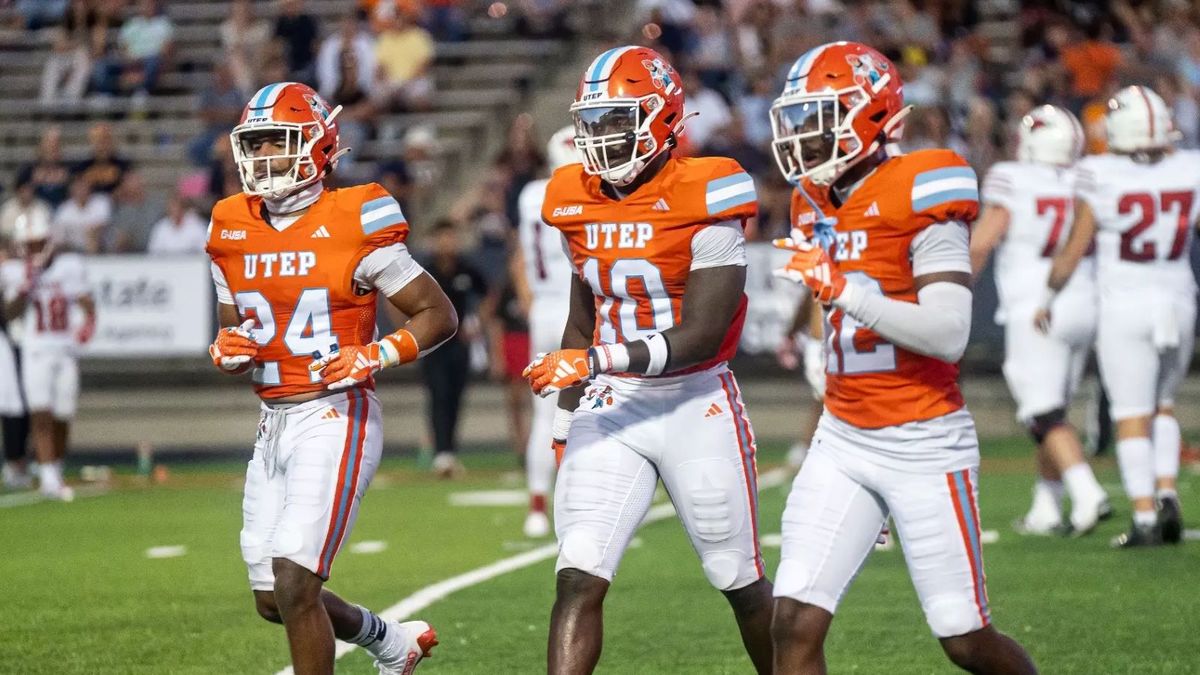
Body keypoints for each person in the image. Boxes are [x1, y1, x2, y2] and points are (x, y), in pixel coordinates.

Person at [767, 42, 1036, 673]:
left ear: (870, 115)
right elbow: (831, 298)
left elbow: (948, 332)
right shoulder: (811, 198)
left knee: (964, 638)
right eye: (799, 118)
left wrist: (844, 292)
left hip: (923, 438)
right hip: (842, 437)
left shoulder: (924, 183)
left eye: (821, 117)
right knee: (793, 621)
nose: (805, 134)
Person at [523, 46, 774, 674]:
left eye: (618, 119)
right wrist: (564, 422)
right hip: (611, 405)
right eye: (594, 121)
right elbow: (581, 320)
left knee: (736, 575)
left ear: (662, 117)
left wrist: (595, 360)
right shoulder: (573, 195)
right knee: (578, 571)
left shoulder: (708, 189)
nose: (602, 136)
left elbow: (703, 334)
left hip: (695, 398)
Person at [206, 81, 455, 673]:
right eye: (256, 144)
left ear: (317, 146)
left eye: (278, 141)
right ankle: (391, 642)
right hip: (272, 419)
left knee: (295, 581)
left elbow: (437, 313)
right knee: (273, 599)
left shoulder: (356, 215)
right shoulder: (229, 223)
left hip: (336, 412)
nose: (264, 156)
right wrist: (226, 348)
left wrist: (377, 354)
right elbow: (233, 329)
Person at [1035, 85, 1197, 548]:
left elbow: (1073, 250)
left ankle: (1145, 516)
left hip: (1125, 302)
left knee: (1130, 414)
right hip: (1179, 297)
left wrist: (1047, 296)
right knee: (1163, 404)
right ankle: (1166, 491)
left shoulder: (1099, 172)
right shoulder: (1190, 167)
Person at [970, 105, 1110, 535]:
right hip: (1084, 299)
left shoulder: (1012, 177)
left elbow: (983, 241)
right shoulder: (1087, 176)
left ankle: (1087, 492)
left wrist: (953, 287)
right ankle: (1047, 506)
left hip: (1037, 305)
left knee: (1042, 413)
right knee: (1055, 412)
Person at [511, 125, 579, 538]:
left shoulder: (530, 194)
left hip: (543, 310)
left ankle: (537, 505)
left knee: (544, 414)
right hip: (577, 309)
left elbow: (522, 255)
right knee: (595, 406)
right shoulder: (582, 191)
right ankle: (582, 502)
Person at [0, 208, 94, 501]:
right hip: (36, 349)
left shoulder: (69, 266)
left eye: (38, 243)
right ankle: (49, 477)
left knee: (63, 414)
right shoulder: (15, 271)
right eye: (28, 245)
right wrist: (25, 287)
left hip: (64, 350)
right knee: (40, 412)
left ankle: (55, 467)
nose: (33, 250)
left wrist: (86, 327)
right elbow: (9, 313)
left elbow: (87, 303)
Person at [417, 220, 488, 479]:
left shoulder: (466, 269)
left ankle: (449, 451)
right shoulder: (425, 272)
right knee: (439, 394)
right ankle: (441, 453)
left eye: (451, 237)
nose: (448, 243)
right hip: (432, 344)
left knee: (456, 396)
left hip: (459, 343)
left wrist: (478, 323)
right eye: (443, 237)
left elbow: (487, 293)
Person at [52, 174, 111, 254]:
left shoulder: (101, 201)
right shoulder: (65, 208)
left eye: (83, 187)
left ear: (90, 188)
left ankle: (93, 259)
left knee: (92, 233)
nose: (81, 190)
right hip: (72, 246)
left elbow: (101, 226)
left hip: (99, 244)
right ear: (71, 191)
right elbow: (58, 232)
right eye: (77, 188)